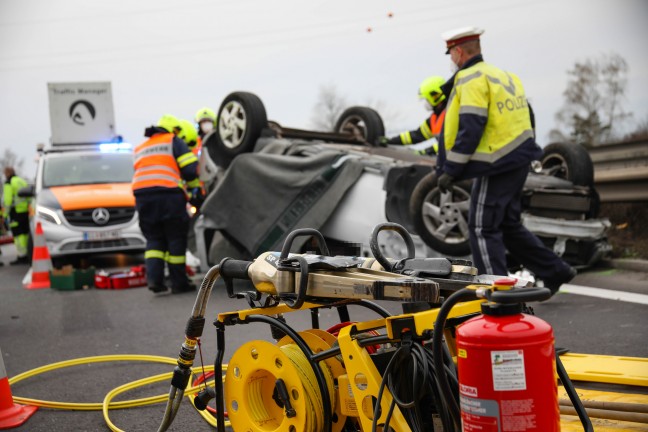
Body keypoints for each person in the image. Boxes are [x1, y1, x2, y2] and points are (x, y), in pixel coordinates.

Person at [435, 26, 576, 293]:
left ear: (459, 51)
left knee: (482, 228)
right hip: (517, 158)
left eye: (451, 53)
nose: (452, 59)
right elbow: (529, 116)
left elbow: (471, 125)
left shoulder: (470, 79)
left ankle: (496, 294)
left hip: (495, 164)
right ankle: (556, 271)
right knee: (507, 225)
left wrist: (451, 169)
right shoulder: (504, 76)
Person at [132, 114, 201, 294]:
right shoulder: (173, 140)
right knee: (175, 238)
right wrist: (195, 191)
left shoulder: (141, 147)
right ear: (173, 130)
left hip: (143, 197)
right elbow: (190, 170)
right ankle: (179, 284)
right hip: (168, 195)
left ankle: (155, 281)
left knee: (154, 240)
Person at [378, 75, 448, 155]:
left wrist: (428, 151)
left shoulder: (452, 115)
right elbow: (416, 135)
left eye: (427, 99)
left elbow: (452, 142)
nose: (426, 103)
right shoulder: (435, 119)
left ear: (435, 96)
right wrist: (391, 141)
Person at [3, 167, 31, 265]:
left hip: (15, 212)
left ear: (7, 173)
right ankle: (28, 253)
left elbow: (8, 201)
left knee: (18, 235)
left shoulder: (8, 183)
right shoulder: (21, 181)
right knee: (26, 233)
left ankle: (21, 256)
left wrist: (4, 215)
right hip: (25, 212)